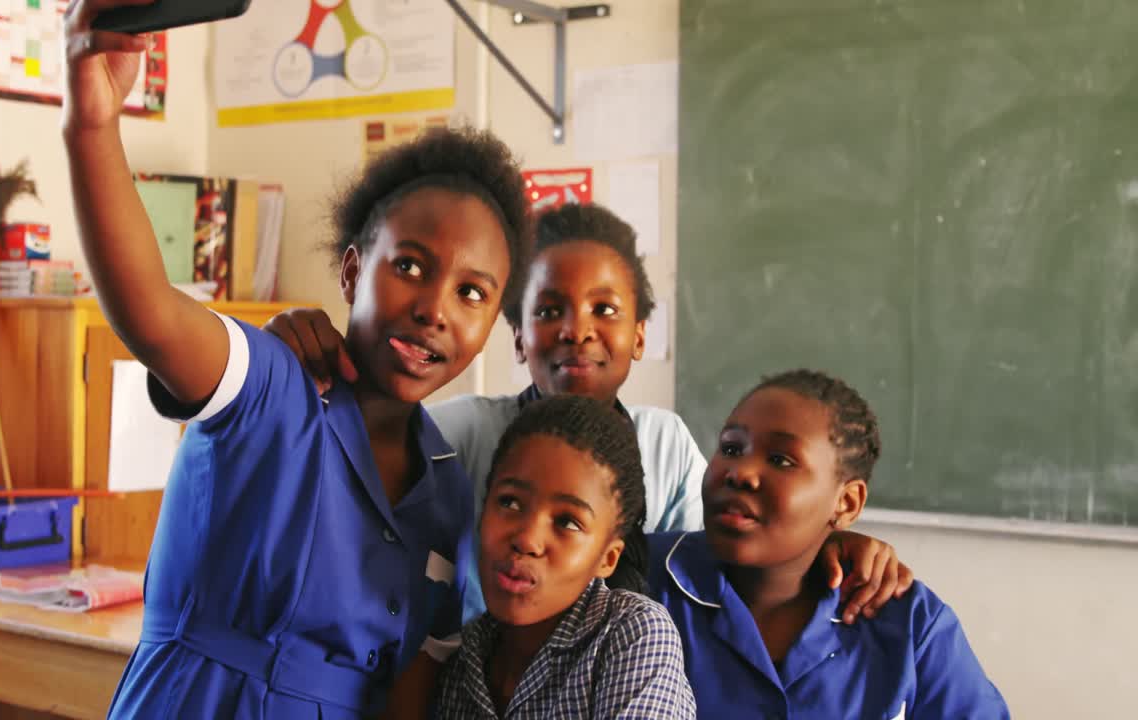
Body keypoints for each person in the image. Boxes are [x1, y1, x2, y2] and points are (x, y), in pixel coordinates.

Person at [61, 2, 531, 716]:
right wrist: (93, 124)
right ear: (350, 273)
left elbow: (411, 683)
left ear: (493, 321)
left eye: (471, 292)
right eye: (409, 265)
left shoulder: (446, 492)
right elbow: (151, 316)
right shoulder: (274, 381)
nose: (435, 307)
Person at [266, 203, 913, 625]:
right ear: (516, 337)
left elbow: (733, 557)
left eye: (605, 310)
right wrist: (296, 353)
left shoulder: (661, 441)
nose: (577, 331)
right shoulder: (462, 431)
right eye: (548, 311)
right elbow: (348, 486)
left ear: (638, 335)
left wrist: (831, 542)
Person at [649, 370, 1009, 718]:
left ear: (847, 503)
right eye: (731, 447)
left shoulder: (909, 624)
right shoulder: (640, 581)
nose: (739, 472)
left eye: (780, 459)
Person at [435, 395, 696, 719]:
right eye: (510, 503)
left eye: (567, 522)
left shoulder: (632, 634)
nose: (527, 539)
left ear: (608, 558)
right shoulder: (466, 658)